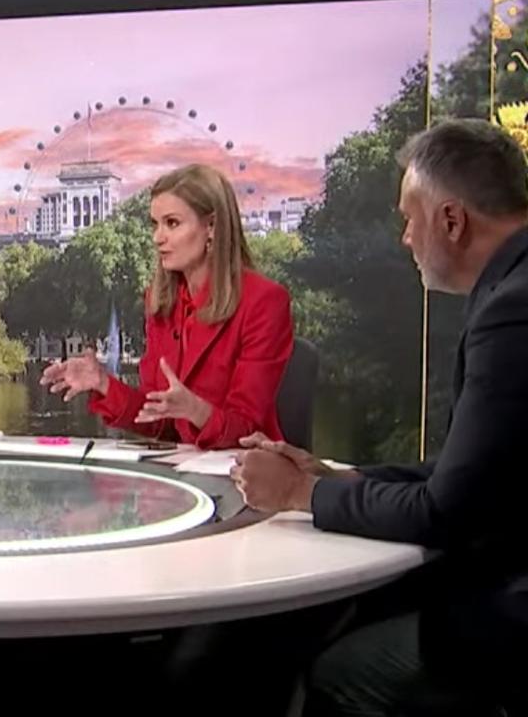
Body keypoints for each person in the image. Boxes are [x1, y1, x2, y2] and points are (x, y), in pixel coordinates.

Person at [231, 119, 528, 716]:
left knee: (337, 669)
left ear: (452, 220)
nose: (404, 238)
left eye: (409, 218)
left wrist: (299, 492)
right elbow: (467, 474)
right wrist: (343, 479)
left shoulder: (512, 311)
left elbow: (446, 511)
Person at [40, 163, 294, 449]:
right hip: (186, 474)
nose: (157, 238)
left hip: (248, 475)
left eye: (172, 223)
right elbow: (156, 419)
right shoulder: (160, 302)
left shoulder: (264, 302)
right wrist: (103, 383)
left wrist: (195, 409)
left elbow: (248, 431)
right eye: (155, 224)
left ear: (212, 226)